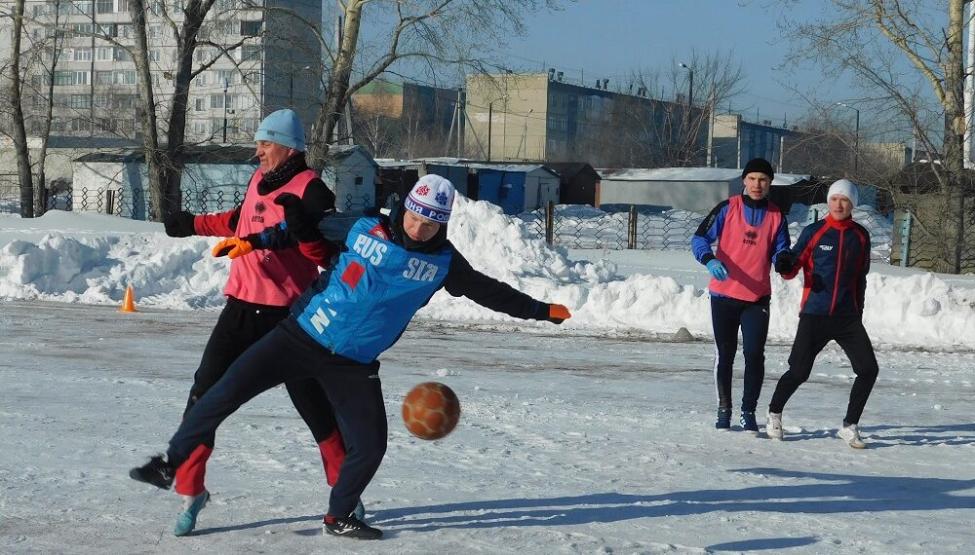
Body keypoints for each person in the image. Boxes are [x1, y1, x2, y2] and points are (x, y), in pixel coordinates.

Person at [131, 174, 572, 540]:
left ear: (444, 226)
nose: (422, 229)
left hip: (353, 365)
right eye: (417, 218)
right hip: (300, 336)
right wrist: (251, 242)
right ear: (405, 210)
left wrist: (540, 310)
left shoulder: (442, 262)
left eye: (432, 224)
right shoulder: (363, 226)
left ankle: (338, 515)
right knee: (221, 393)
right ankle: (170, 464)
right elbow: (299, 231)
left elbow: (487, 291)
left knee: (371, 444)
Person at [154, 109, 357, 536]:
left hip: (292, 318)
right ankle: (192, 493)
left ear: (288, 146)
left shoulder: (313, 191)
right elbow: (239, 219)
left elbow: (318, 244)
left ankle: (347, 498)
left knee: (317, 410)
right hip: (241, 313)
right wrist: (192, 224)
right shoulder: (257, 182)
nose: (257, 151)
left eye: (265, 143)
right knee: (203, 398)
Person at [766, 179, 879, 449]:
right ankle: (774, 413)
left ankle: (850, 425)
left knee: (868, 369)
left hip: (847, 318)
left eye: (845, 200)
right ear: (828, 202)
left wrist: (858, 311)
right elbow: (793, 265)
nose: (839, 204)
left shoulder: (861, 236)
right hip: (815, 314)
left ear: (852, 204)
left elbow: (860, 278)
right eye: (834, 199)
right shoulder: (815, 231)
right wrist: (784, 265)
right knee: (799, 371)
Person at [691, 158, 791, 433]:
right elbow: (699, 238)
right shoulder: (727, 208)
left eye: (764, 180)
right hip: (724, 296)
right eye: (753, 178)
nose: (758, 184)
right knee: (726, 353)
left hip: (757, 298)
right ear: (744, 181)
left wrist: (783, 260)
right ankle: (724, 409)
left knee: (754, 354)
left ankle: (748, 412)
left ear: (770, 184)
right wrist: (709, 259)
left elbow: (781, 248)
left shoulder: (776, 215)